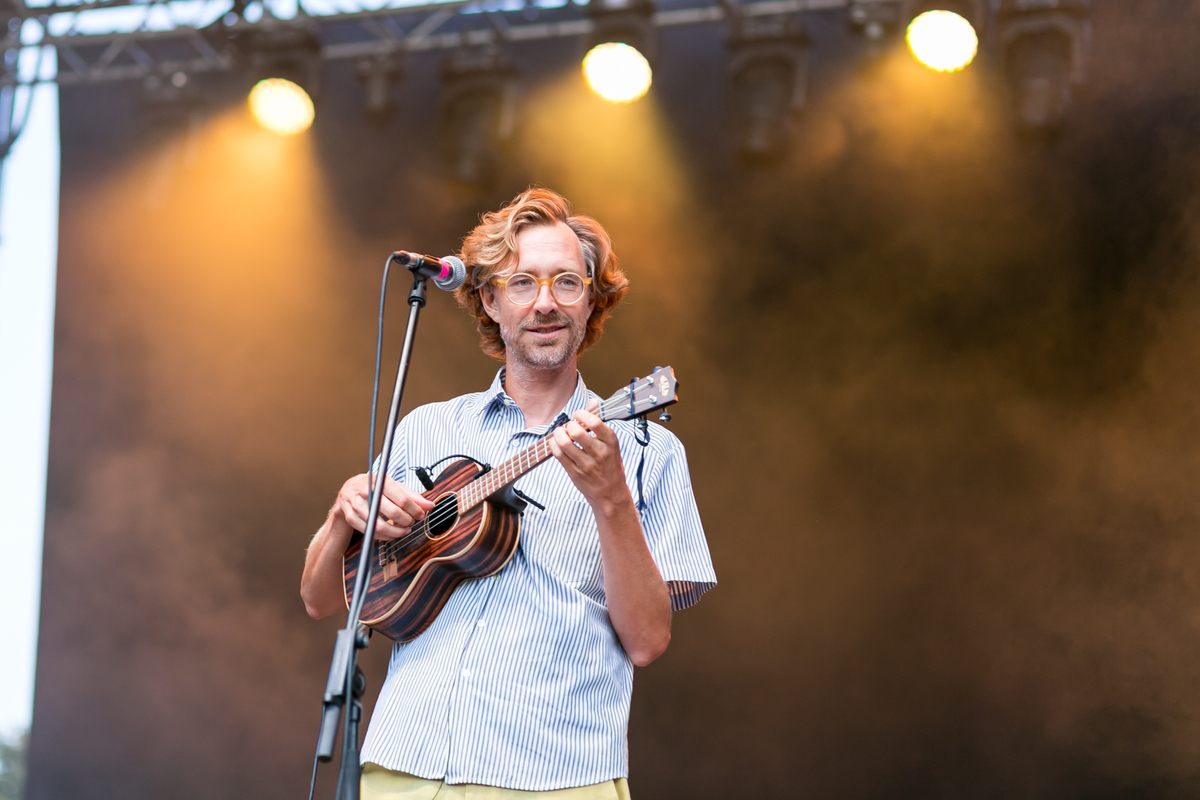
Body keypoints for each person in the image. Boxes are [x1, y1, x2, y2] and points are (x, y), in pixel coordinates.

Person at [300, 188, 716, 799]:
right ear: (491, 301)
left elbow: (648, 641)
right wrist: (344, 512)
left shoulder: (648, 451)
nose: (545, 302)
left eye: (567, 282)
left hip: (553, 778)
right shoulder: (426, 427)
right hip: (401, 768)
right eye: (522, 283)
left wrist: (611, 501)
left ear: (592, 301)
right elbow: (319, 599)